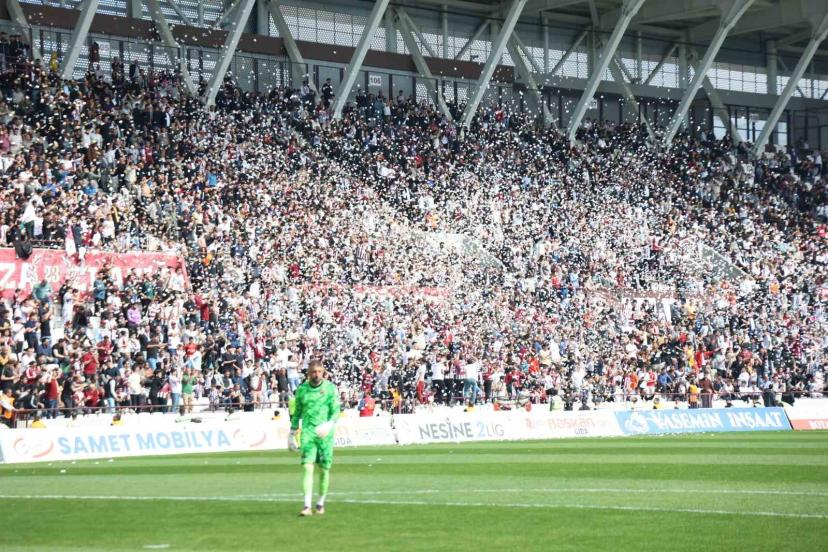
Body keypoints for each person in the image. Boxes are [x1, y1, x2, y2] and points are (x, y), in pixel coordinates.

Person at [289, 359, 340, 517]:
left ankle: (320, 503)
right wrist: (292, 432)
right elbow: (297, 412)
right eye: (313, 372)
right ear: (308, 373)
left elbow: (336, 410)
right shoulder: (302, 390)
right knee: (307, 467)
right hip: (308, 433)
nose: (316, 374)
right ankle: (306, 506)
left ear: (323, 372)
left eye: (319, 372)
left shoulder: (330, 388)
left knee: (324, 470)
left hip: (325, 435)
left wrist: (329, 424)